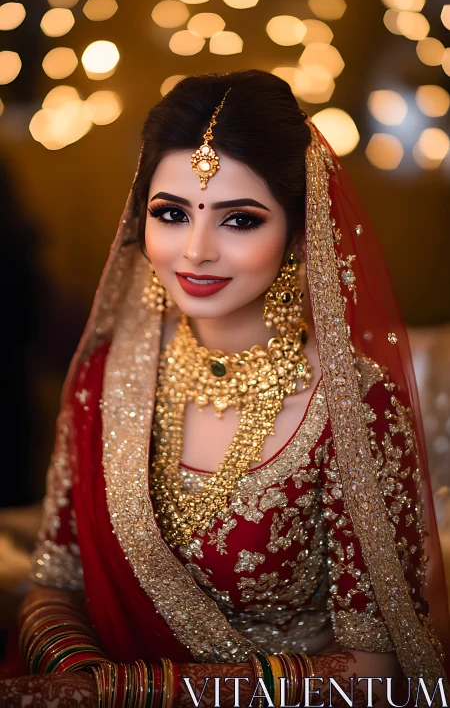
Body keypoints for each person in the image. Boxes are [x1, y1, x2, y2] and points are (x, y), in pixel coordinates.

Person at [3, 70, 449, 708]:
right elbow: (55, 578)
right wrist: (82, 680)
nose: (196, 250)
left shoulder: (354, 406)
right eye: (172, 214)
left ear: (299, 234)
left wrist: (142, 693)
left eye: (240, 219)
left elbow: (375, 666)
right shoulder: (111, 375)